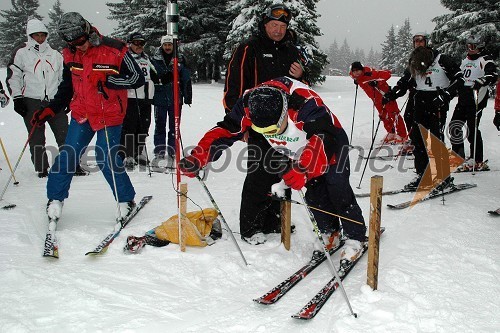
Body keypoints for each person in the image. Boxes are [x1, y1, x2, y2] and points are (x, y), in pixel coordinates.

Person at [179, 77, 366, 267]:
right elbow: (226, 130)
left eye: (273, 129)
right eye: (263, 131)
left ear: (285, 112)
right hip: (296, 150)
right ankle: (329, 232)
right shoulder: (248, 103)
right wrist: (198, 156)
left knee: (337, 188)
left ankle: (355, 237)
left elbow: (324, 137)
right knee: (315, 194)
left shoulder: (303, 102)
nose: (271, 135)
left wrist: (303, 168)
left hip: (328, 142)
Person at [31, 12, 145, 222]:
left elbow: (137, 78)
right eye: (74, 44)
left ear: (87, 31)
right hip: (82, 113)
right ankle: (55, 199)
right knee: (68, 156)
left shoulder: (115, 49)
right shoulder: (69, 54)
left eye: (81, 41)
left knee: (106, 158)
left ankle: (125, 200)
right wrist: (51, 109)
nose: (80, 47)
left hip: (109, 115)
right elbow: (67, 87)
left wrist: (110, 82)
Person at [222, 3, 307, 244]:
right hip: (258, 125)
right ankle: (251, 227)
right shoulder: (249, 48)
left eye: (282, 26)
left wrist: (301, 75)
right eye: (274, 25)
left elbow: (301, 90)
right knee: (259, 175)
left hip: (287, 127)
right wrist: (240, 126)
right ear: (264, 24)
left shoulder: (292, 50)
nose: (278, 30)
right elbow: (233, 89)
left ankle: (274, 221)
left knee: (283, 172)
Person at [383, 37, 464, 192]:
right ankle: (422, 174)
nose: (419, 44)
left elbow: (459, 79)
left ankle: (443, 178)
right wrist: (391, 94)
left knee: (435, 139)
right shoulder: (415, 61)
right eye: (416, 42)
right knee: (418, 140)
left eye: (421, 41)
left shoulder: (441, 59)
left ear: (427, 43)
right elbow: (404, 82)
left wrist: (446, 95)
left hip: (437, 100)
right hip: (420, 101)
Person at [6, 18, 68, 178]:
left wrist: (66, 99)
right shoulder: (21, 53)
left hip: (54, 101)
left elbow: (63, 78)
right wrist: (17, 98)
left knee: (64, 134)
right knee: (36, 137)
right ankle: (42, 168)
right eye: (36, 35)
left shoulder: (55, 54)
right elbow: (14, 76)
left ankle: (70, 164)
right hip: (31, 100)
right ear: (30, 36)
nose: (40, 38)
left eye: (42, 35)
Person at [449, 35, 497, 172]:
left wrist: (483, 80)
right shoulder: (465, 61)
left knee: (472, 128)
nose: (470, 49)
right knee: (454, 126)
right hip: (463, 97)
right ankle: (458, 155)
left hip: (477, 97)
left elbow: (491, 74)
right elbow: (458, 77)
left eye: (473, 46)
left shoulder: (484, 59)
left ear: (480, 47)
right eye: (468, 46)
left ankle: (477, 159)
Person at [150, 34, 192, 167]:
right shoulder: (155, 59)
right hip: (160, 98)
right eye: (165, 45)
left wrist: (187, 95)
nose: (168, 47)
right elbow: (151, 76)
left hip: (175, 98)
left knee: (174, 126)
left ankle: (173, 150)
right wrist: (161, 79)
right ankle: (160, 151)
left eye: (170, 45)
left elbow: (186, 78)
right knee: (160, 125)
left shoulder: (179, 59)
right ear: (161, 45)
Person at [120, 32, 155, 169]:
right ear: (129, 44)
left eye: (142, 43)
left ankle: (139, 152)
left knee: (143, 126)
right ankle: (128, 154)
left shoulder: (146, 58)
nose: (139, 46)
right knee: (129, 126)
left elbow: (155, 75)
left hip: (146, 98)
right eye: (136, 43)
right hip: (131, 97)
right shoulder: (126, 58)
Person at [349, 61, 407, 143]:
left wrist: (377, 82)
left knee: (394, 114)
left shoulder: (370, 73)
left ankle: (402, 135)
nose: (356, 73)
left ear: (362, 70)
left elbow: (387, 74)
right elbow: (356, 77)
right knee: (383, 116)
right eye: (354, 71)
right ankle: (391, 133)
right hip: (376, 100)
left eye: (358, 70)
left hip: (386, 96)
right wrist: (357, 81)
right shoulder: (356, 77)